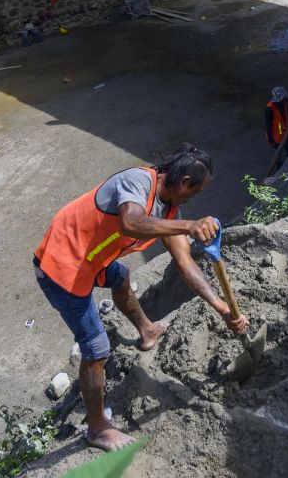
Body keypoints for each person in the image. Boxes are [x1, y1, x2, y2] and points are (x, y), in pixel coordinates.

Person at [33, 144, 248, 452]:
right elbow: (130, 222)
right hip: (61, 263)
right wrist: (189, 226)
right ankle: (97, 429)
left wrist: (220, 306)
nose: (193, 198)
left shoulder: (171, 210)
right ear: (184, 182)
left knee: (120, 276)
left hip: (92, 260)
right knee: (95, 347)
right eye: (196, 191)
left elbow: (185, 265)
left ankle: (146, 330)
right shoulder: (137, 182)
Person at [265, 87, 288, 168]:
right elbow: (267, 126)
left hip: (285, 134)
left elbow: (287, 113)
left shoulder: (284, 102)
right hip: (276, 139)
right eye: (282, 98)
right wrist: (271, 141)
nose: (284, 99)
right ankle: (280, 171)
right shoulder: (269, 109)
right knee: (279, 158)